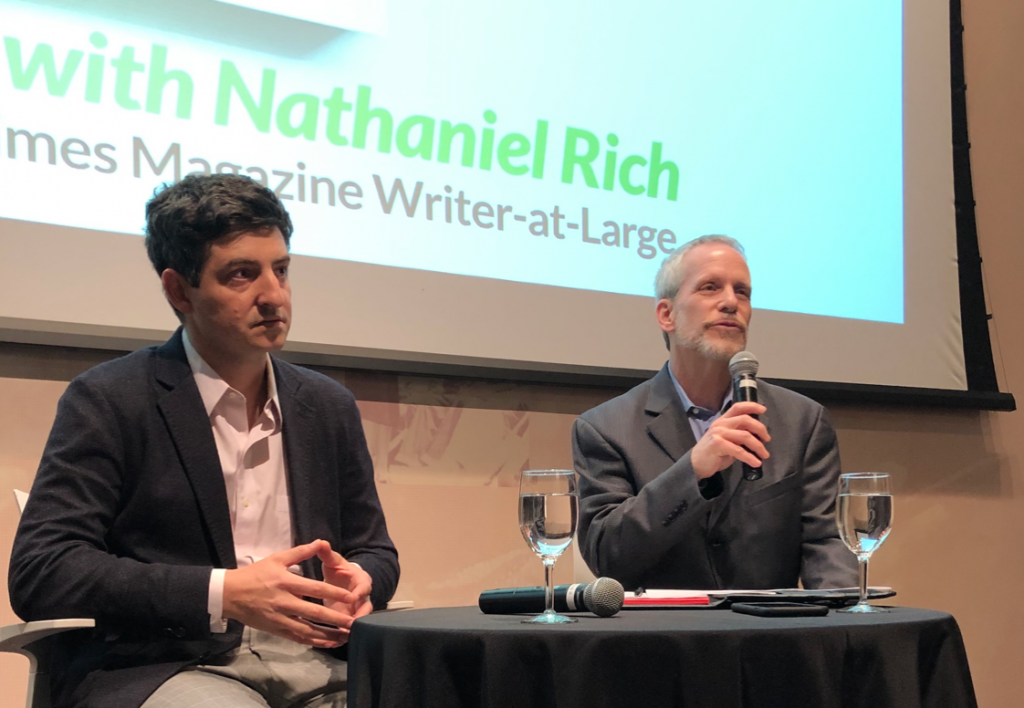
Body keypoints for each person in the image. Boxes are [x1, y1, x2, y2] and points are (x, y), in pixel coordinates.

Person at [8, 174, 399, 708]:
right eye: (242, 274)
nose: (273, 295)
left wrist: (363, 582)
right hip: (173, 665)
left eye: (280, 271)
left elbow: (374, 549)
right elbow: (44, 570)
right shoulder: (110, 398)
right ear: (178, 290)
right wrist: (223, 593)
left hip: (320, 660)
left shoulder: (326, 405)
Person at [572, 235, 856, 591]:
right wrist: (692, 471)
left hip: (771, 638)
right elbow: (607, 557)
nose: (730, 302)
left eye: (743, 292)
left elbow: (828, 544)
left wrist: (841, 622)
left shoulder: (803, 422)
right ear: (666, 314)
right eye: (710, 287)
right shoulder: (605, 428)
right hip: (662, 640)